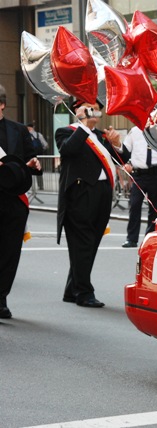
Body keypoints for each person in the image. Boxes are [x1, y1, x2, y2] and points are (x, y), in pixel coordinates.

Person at [55, 99, 129, 308]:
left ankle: (72, 289)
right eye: (88, 108)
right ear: (76, 110)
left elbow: (123, 160)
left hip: (102, 194)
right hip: (80, 195)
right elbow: (68, 150)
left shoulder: (101, 136)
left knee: (91, 243)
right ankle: (84, 292)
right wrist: (84, 126)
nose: (93, 112)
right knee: (83, 243)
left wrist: (117, 143)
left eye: (95, 109)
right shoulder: (66, 132)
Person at [0, 84, 42, 318]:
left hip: (13, 200)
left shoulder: (18, 130)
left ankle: (1, 298)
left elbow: (31, 159)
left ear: (2, 104)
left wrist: (34, 164)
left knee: (10, 252)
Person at [121, 126, 157, 248]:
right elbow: (125, 150)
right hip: (139, 174)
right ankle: (131, 238)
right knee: (134, 205)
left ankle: (150, 237)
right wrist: (127, 163)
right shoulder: (135, 131)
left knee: (154, 208)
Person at [27, 123, 48, 190]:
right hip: (39, 156)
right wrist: (41, 150)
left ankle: (29, 186)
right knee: (38, 169)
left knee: (28, 170)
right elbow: (45, 145)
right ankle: (40, 186)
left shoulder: (26, 135)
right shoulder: (39, 135)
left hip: (30, 156)